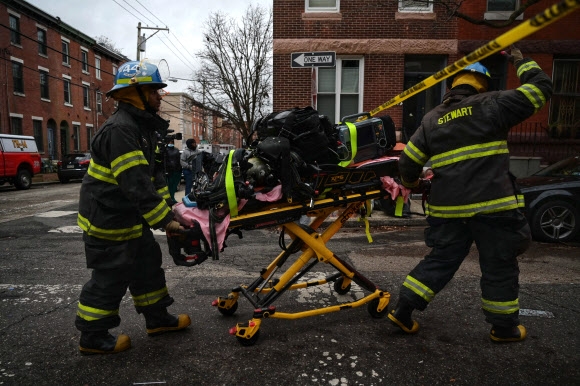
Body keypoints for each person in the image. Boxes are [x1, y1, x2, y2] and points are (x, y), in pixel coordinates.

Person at [389, 47, 553, 343]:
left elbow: (407, 164)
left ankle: (402, 310)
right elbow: (541, 87)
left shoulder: (430, 120)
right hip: (493, 208)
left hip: (447, 211)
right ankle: (503, 329)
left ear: (451, 86)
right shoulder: (494, 104)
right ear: (483, 85)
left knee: (441, 259)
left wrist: (411, 183)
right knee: (499, 264)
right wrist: (519, 58)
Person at [75, 60, 190, 355]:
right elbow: (135, 184)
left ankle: (157, 319)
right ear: (133, 93)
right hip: (107, 218)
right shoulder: (121, 131)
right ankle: (93, 335)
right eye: (153, 91)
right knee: (111, 274)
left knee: (147, 264)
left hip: (128, 216)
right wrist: (166, 222)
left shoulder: (142, 127)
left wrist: (171, 209)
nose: (158, 97)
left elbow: (155, 178)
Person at [165, 139, 182, 205]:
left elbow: (179, 160)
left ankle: (172, 197)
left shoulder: (176, 150)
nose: (171, 143)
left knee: (174, 186)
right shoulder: (165, 150)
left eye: (172, 142)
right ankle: (170, 198)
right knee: (169, 185)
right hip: (169, 171)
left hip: (177, 170)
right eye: (169, 142)